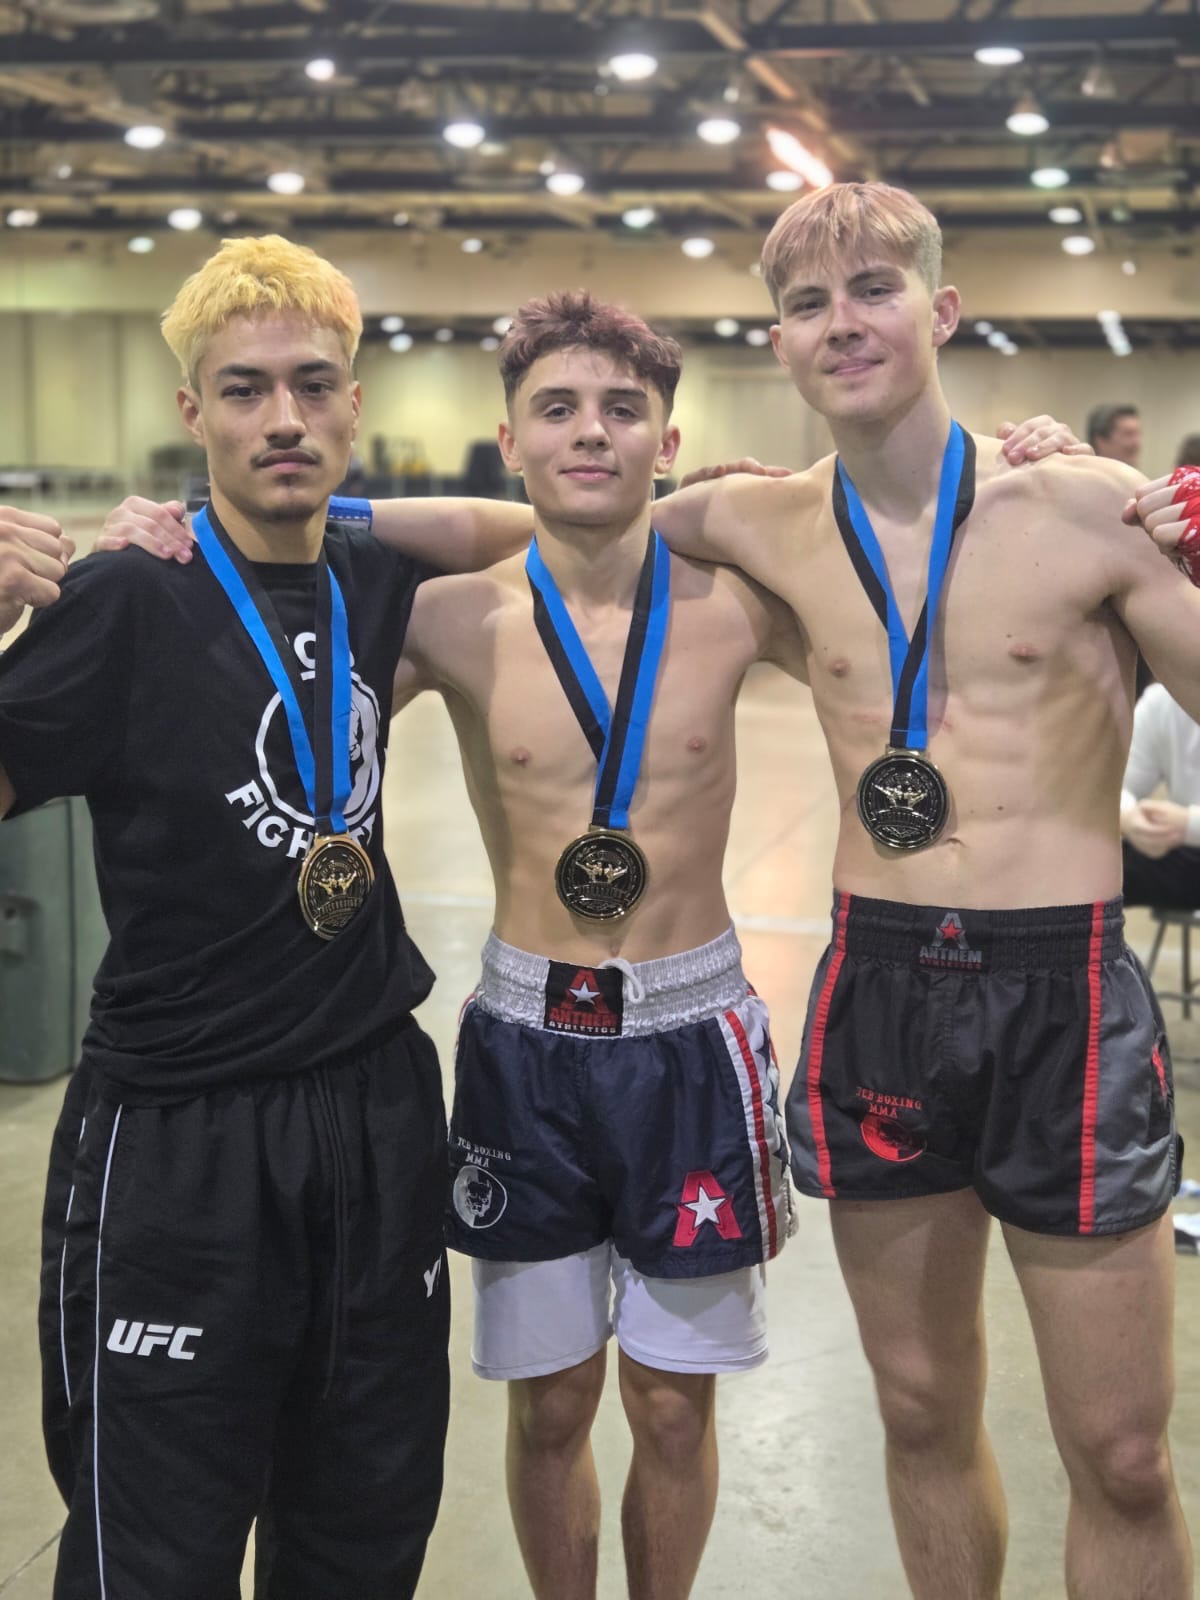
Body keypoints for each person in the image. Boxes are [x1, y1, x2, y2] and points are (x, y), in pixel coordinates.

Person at [88, 292, 1084, 1598]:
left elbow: (922, 592)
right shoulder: (446, 619)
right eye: (556, 409)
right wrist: (158, 536)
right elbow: (248, 664)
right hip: (524, 1044)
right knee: (551, 1404)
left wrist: (1024, 475)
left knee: (672, 1408)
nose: (591, 433)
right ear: (510, 440)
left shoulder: (743, 603)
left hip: (692, 1036)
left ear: (669, 441)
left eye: (622, 410)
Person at [647, 182, 1195, 1600]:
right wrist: (227, 515)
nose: (843, 324)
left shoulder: (1083, 505)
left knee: (1124, 1453)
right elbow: (540, 517)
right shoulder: (755, 521)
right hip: (880, 979)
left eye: (875, 289)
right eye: (808, 304)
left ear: (942, 311)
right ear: (779, 342)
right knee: (917, 1408)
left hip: (1064, 988)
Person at [0, 234, 531, 1600]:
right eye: (243, 391)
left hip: (374, 1107)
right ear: (194, 413)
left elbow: (534, 526)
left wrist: (356, 509)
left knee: (365, 1530)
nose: (282, 418)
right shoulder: (128, 592)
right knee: (154, 1553)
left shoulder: (372, 577)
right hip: (182, 1138)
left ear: (355, 403)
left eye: (312, 385)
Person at [1121, 683, 1200, 909]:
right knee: (1095, 861)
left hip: (1184, 843)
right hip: (1180, 854)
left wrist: (1188, 824)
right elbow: (1116, 788)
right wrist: (1130, 820)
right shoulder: (1162, 701)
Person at [1086, 400, 1142, 466]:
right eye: (1128, 434)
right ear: (1100, 441)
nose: (1136, 443)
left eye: (1138, 434)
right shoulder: (1083, 471)